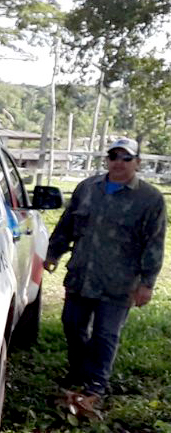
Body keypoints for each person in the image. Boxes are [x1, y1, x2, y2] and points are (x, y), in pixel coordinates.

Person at [44, 137, 167, 414]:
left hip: (119, 282)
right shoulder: (87, 188)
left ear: (137, 163)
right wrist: (53, 253)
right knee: (72, 325)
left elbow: (154, 243)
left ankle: (96, 385)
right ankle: (79, 372)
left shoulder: (150, 199)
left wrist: (147, 283)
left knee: (105, 334)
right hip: (81, 274)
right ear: (107, 160)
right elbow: (67, 225)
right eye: (114, 156)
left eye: (126, 158)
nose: (119, 163)